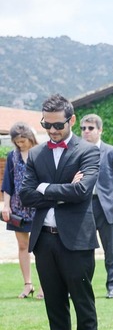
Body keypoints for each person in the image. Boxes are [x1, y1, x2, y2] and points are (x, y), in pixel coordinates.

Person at [18, 95, 101, 330]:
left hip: (76, 240)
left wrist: (44, 189)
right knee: (54, 303)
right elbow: (25, 195)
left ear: (72, 120)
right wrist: (62, 188)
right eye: (46, 125)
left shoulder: (88, 151)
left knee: (83, 302)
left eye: (57, 125)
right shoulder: (37, 154)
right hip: (44, 241)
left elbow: (82, 193)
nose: (52, 130)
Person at [79, 114, 113, 299]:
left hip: (107, 207)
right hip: (84, 207)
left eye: (90, 128)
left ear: (100, 130)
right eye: (83, 128)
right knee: (84, 250)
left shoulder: (112, 152)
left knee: (111, 250)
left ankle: (112, 287)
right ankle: (83, 287)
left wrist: (112, 199)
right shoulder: (77, 153)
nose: (86, 132)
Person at [2, 122, 42, 299]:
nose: (21, 144)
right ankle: (28, 284)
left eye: (23, 140)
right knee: (22, 246)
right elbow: (8, 183)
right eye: (17, 142)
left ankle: (44, 285)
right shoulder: (12, 156)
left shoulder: (42, 153)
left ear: (30, 137)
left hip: (39, 206)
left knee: (42, 247)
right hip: (18, 209)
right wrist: (6, 205)